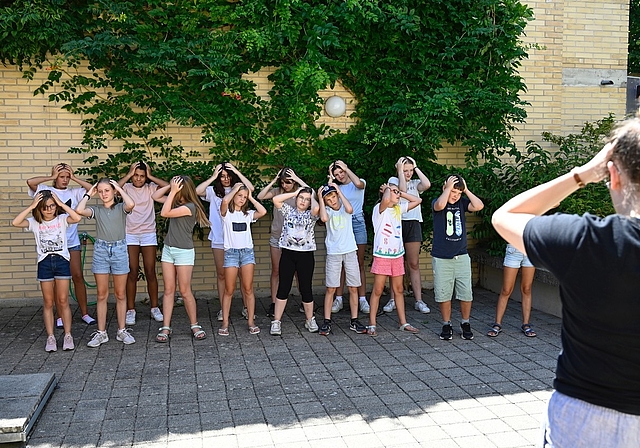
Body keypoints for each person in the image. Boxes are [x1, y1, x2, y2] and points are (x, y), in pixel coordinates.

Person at [492, 119, 640, 447]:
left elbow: (504, 217)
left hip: (583, 419)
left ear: (613, 175)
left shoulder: (589, 241)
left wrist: (581, 174)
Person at [27, 163, 96, 326]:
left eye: (67, 177)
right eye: (61, 176)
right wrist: (51, 177)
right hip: (54, 246)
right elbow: (30, 182)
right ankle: (59, 316)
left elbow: (93, 189)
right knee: (58, 280)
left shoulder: (74, 192)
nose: (65, 180)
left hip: (72, 242)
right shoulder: (46, 190)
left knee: (78, 276)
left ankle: (85, 313)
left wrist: (74, 178)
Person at [12, 191, 82, 352]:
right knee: (49, 302)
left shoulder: (62, 219)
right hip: (44, 263)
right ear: (40, 209)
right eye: (45, 207)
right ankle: (50, 337)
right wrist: (31, 206)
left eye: (52, 206)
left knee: (63, 300)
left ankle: (68, 335)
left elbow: (77, 218)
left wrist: (61, 203)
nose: (49, 209)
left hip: (62, 261)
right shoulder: (35, 222)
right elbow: (16, 222)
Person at [76, 179, 136, 347]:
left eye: (107, 190)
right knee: (102, 294)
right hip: (101, 251)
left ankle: (121, 330)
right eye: (101, 191)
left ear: (114, 191)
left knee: (120, 293)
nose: (103, 194)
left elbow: (131, 204)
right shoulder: (96, 210)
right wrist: (89, 193)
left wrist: (118, 188)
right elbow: (79, 210)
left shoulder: (120, 208)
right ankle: (101, 333)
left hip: (119, 250)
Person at [153, 176, 210, 343]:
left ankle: (194, 325)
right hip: (169, 250)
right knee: (169, 290)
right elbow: (155, 197)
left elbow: (164, 213)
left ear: (182, 190)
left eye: (177, 187)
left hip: (184, 252)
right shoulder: (176, 203)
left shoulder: (190, 207)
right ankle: (165, 327)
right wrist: (170, 187)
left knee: (185, 291)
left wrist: (172, 191)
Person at [196, 163, 255, 321]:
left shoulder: (239, 190)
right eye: (222, 176)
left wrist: (236, 170)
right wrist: (214, 176)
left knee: (244, 276)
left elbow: (251, 189)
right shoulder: (213, 191)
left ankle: (246, 307)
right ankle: (224, 308)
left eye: (228, 176)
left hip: (238, 240)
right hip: (219, 239)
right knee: (222, 275)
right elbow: (197, 191)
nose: (226, 179)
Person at [431, 174, 484, 341]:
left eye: (458, 193)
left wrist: (466, 190)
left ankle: (465, 322)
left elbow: (479, 206)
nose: (455, 195)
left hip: (461, 256)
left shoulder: (462, 203)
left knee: (465, 293)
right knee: (444, 293)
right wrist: (447, 189)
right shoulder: (437, 201)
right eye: (453, 191)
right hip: (442, 257)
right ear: (445, 189)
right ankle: (446, 324)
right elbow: (440, 205)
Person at [366, 181, 422, 336]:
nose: (397, 194)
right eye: (394, 192)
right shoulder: (379, 210)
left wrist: (399, 193)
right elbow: (385, 200)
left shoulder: (398, 209)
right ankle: (372, 323)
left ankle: (403, 322)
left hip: (397, 255)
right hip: (382, 256)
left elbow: (417, 201)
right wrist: (387, 190)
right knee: (378, 290)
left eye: (398, 192)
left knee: (398, 289)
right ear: (385, 194)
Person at [118, 162, 168, 325]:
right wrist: (128, 174)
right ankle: (130, 310)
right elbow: (113, 189)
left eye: (142, 176)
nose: (139, 178)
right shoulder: (126, 187)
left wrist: (150, 176)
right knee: (132, 272)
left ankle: (155, 307)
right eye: (136, 175)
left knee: (150, 270)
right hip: (130, 234)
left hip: (148, 234)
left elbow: (168, 187)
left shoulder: (151, 187)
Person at [317, 183, 368, 336]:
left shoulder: (345, 208)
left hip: (350, 251)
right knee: (331, 288)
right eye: (328, 199)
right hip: (334, 253)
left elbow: (351, 209)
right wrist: (320, 198)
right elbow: (324, 218)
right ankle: (327, 321)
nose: (332, 200)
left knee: (353, 287)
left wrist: (338, 190)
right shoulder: (326, 211)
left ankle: (354, 320)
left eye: (333, 197)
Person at [257, 167, 308, 317]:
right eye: (283, 182)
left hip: (295, 240)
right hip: (277, 237)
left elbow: (310, 192)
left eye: (288, 182)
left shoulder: (300, 194)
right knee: (276, 271)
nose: (285, 185)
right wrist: (273, 180)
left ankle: (304, 301)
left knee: (299, 273)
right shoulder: (277, 192)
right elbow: (261, 196)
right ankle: (274, 303)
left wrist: (297, 179)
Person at [383, 156, 432, 314]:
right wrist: (400, 172)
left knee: (413, 263)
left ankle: (419, 300)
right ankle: (393, 299)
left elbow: (427, 184)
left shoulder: (416, 183)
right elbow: (402, 190)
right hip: (397, 223)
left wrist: (416, 167)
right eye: (406, 170)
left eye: (410, 170)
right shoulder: (393, 180)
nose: (409, 173)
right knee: (395, 263)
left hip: (413, 222)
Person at [218, 183, 267, 336]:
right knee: (229, 289)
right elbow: (225, 202)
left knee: (248, 288)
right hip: (231, 253)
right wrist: (234, 190)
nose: (242, 199)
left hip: (247, 253)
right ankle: (225, 322)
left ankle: (251, 321)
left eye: (244, 197)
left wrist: (251, 197)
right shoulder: (226, 214)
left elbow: (263, 211)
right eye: (240, 196)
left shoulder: (248, 214)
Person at [270, 187, 320, 335]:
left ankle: (310, 319)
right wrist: (295, 193)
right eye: (301, 198)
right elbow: (276, 200)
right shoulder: (288, 211)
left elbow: (317, 208)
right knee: (283, 288)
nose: (303, 201)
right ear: (296, 199)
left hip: (305, 255)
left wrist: (312, 195)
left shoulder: (311, 214)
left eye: (307, 199)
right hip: (288, 254)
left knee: (306, 288)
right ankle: (276, 321)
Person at [328, 160, 370, 314]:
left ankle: (362, 299)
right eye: (336, 174)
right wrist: (330, 180)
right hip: (342, 223)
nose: (340, 176)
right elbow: (328, 197)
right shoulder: (335, 187)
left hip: (357, 221)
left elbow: (359, 184)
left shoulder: (357, 182)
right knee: (341, 262)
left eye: (341, 172)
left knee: (358, 262)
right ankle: (338, 299)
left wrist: (347, 168)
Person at [487, 243, 537, 338]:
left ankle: (526, 324)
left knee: (527, 289)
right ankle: (497, 324)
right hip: (514, 249)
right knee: (506, 289)